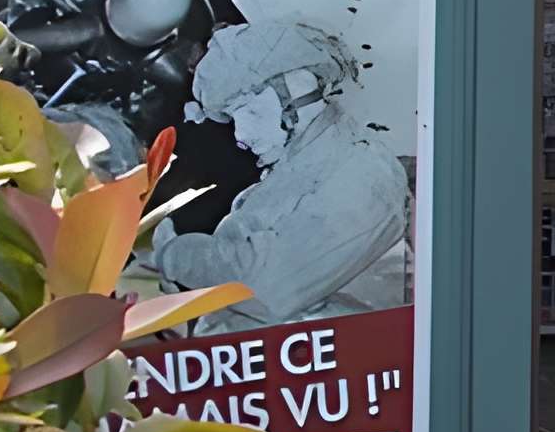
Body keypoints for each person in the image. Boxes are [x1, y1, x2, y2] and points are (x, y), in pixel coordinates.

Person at [150, 17, 408, 329]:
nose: (241, 136)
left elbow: (261, 289)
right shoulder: (301, 170)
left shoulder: (365, 175)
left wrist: (172, 254)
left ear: (293, 95)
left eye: (247, 112)